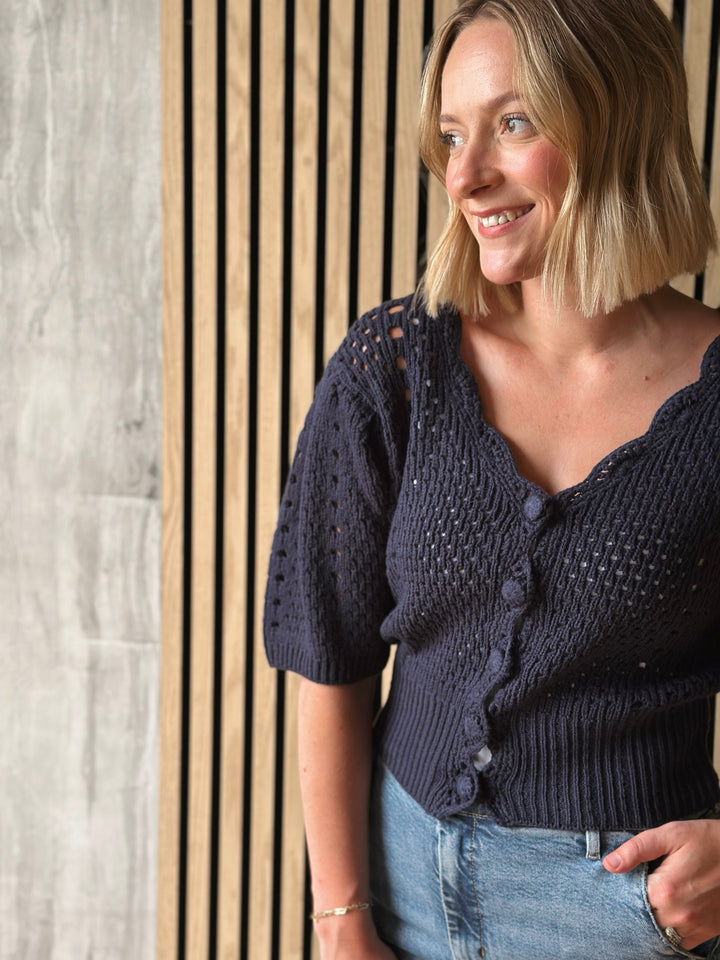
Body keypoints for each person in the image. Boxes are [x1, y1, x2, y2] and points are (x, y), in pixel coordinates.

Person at [264, 0, 720, 956]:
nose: (464, 175)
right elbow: (331, 658)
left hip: (628, 916)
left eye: (513, 123)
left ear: (617, 119)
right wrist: (341, 918)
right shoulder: (398, 366)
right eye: (450, 135)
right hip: (398, 887)